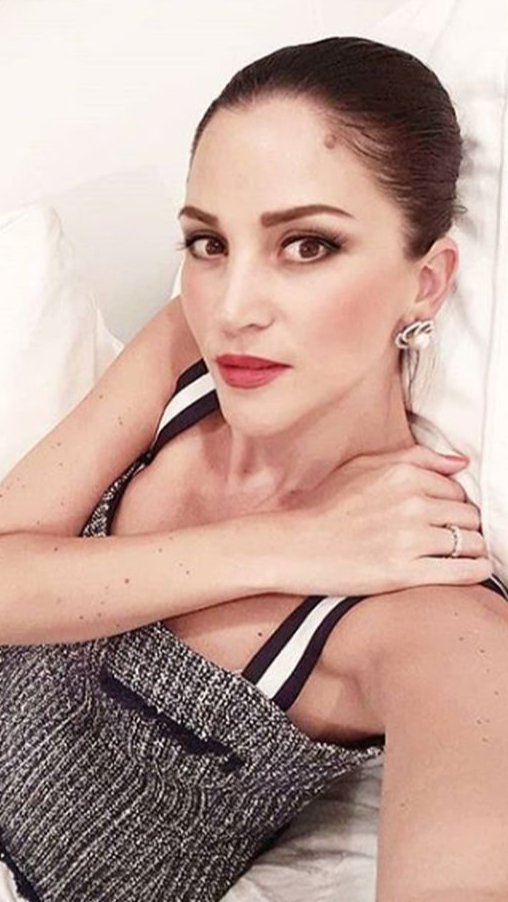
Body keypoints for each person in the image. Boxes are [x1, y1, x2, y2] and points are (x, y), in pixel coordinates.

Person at [1, 34, 508, 902]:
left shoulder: (434, 615)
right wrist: (294, 541)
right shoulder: (190, 352)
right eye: (208, 242)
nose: (233, 306)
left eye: (307, 245)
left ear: (425, 284)